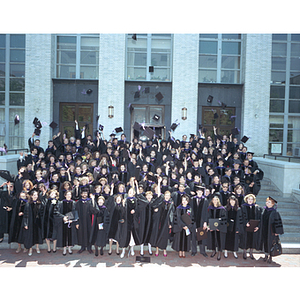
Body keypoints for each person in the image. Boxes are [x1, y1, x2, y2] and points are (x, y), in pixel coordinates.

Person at [21, 189, 45, 256]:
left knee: (37, 235)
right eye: (34, 195)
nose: (35, 196)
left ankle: (37, 248)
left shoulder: (40, 204)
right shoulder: (28, 204)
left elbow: (42, 213)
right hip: (30, 223)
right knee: (30, 236)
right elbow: (25, 215)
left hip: (37, 223)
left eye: (36, 195)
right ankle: (30, 249)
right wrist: (25, 224)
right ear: (31, 196)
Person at [54, 190, 78, 255]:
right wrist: (63, 217)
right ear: (65, 195)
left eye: (70, 194)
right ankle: (64, 249)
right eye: (67, 194)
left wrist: (73, 220)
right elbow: (56, 212)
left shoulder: (73, 203)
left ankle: (69, 248)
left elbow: (75, 212)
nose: (69, 196)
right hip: (63, 222)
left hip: (71, 222)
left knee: (70, 235)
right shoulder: (61, 203)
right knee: (64, 235)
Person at [239, 194, 263, 260]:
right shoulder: (243, 207)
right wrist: (245, 223)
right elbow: (241, 217)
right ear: (246, 200)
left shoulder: (256, 208)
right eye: (249, 199)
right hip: (245, 227)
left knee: (252, 239)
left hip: (253, 227)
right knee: (245, 239)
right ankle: (244, 252)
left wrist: (258, 226)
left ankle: (251, 252)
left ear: (253, 200)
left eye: (251, 199)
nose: (250, 200)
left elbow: (259, 218)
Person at [261, 196, 284, 263]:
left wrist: (277, 232)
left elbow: (278, 222)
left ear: (273, 204)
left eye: (269, 202)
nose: (267, 203)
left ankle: (270, 256)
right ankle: (266, 255)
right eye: (267, 202)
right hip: (265, 229)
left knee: (271, 243)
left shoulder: (275, 212)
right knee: (265, 242)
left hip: (271, 231)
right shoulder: (265, 210)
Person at [153, 190, 175, 257]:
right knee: (158, 235)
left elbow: (172, 214)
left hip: (166, 223)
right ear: (164, 196)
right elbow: (155, 206)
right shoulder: (161, 202)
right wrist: (155, 209)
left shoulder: (171, 204)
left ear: (170, 197)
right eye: (166, 195)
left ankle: (164, 250)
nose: (167, 197)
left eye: (168, 196)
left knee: (165, 237)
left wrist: (170, 223)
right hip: (159, 222)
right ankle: (157, 250)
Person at [189, 185, 209, 257]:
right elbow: (190, 211)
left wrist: (205, 222)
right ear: (196, 192)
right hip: (194, 221)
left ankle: (202, 251)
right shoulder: (192, 199)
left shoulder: (205, 200)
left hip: (201, 221)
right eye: (198, 192)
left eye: (201, 192)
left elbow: (207, 212)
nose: (200, 193)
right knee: (193, 237)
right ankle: (194, 251)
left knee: (202, 236)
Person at [207, 193, 227, 260]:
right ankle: (214, 250)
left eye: (216, 200)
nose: (215, 201)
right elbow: (208, 217)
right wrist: (209, 226)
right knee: (213, 239)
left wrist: (219, 227)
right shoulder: (210, 208)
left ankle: (219, 252)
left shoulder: (222, 209)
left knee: (219, 239)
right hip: (212, 228)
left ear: (218, 200)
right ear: (212, 201)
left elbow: (224, 219)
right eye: (213, 200)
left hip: (219, 228)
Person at [43, 189, 59, 253]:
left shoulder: (57, 202)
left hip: (54, 220)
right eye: (51, 193)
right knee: (47, 235)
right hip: (46, 220)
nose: (52, 194)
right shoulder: (46, 201)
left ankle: (54, 248)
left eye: (53, 193)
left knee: (54, 235)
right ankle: (49, 248)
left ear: (56, 195)